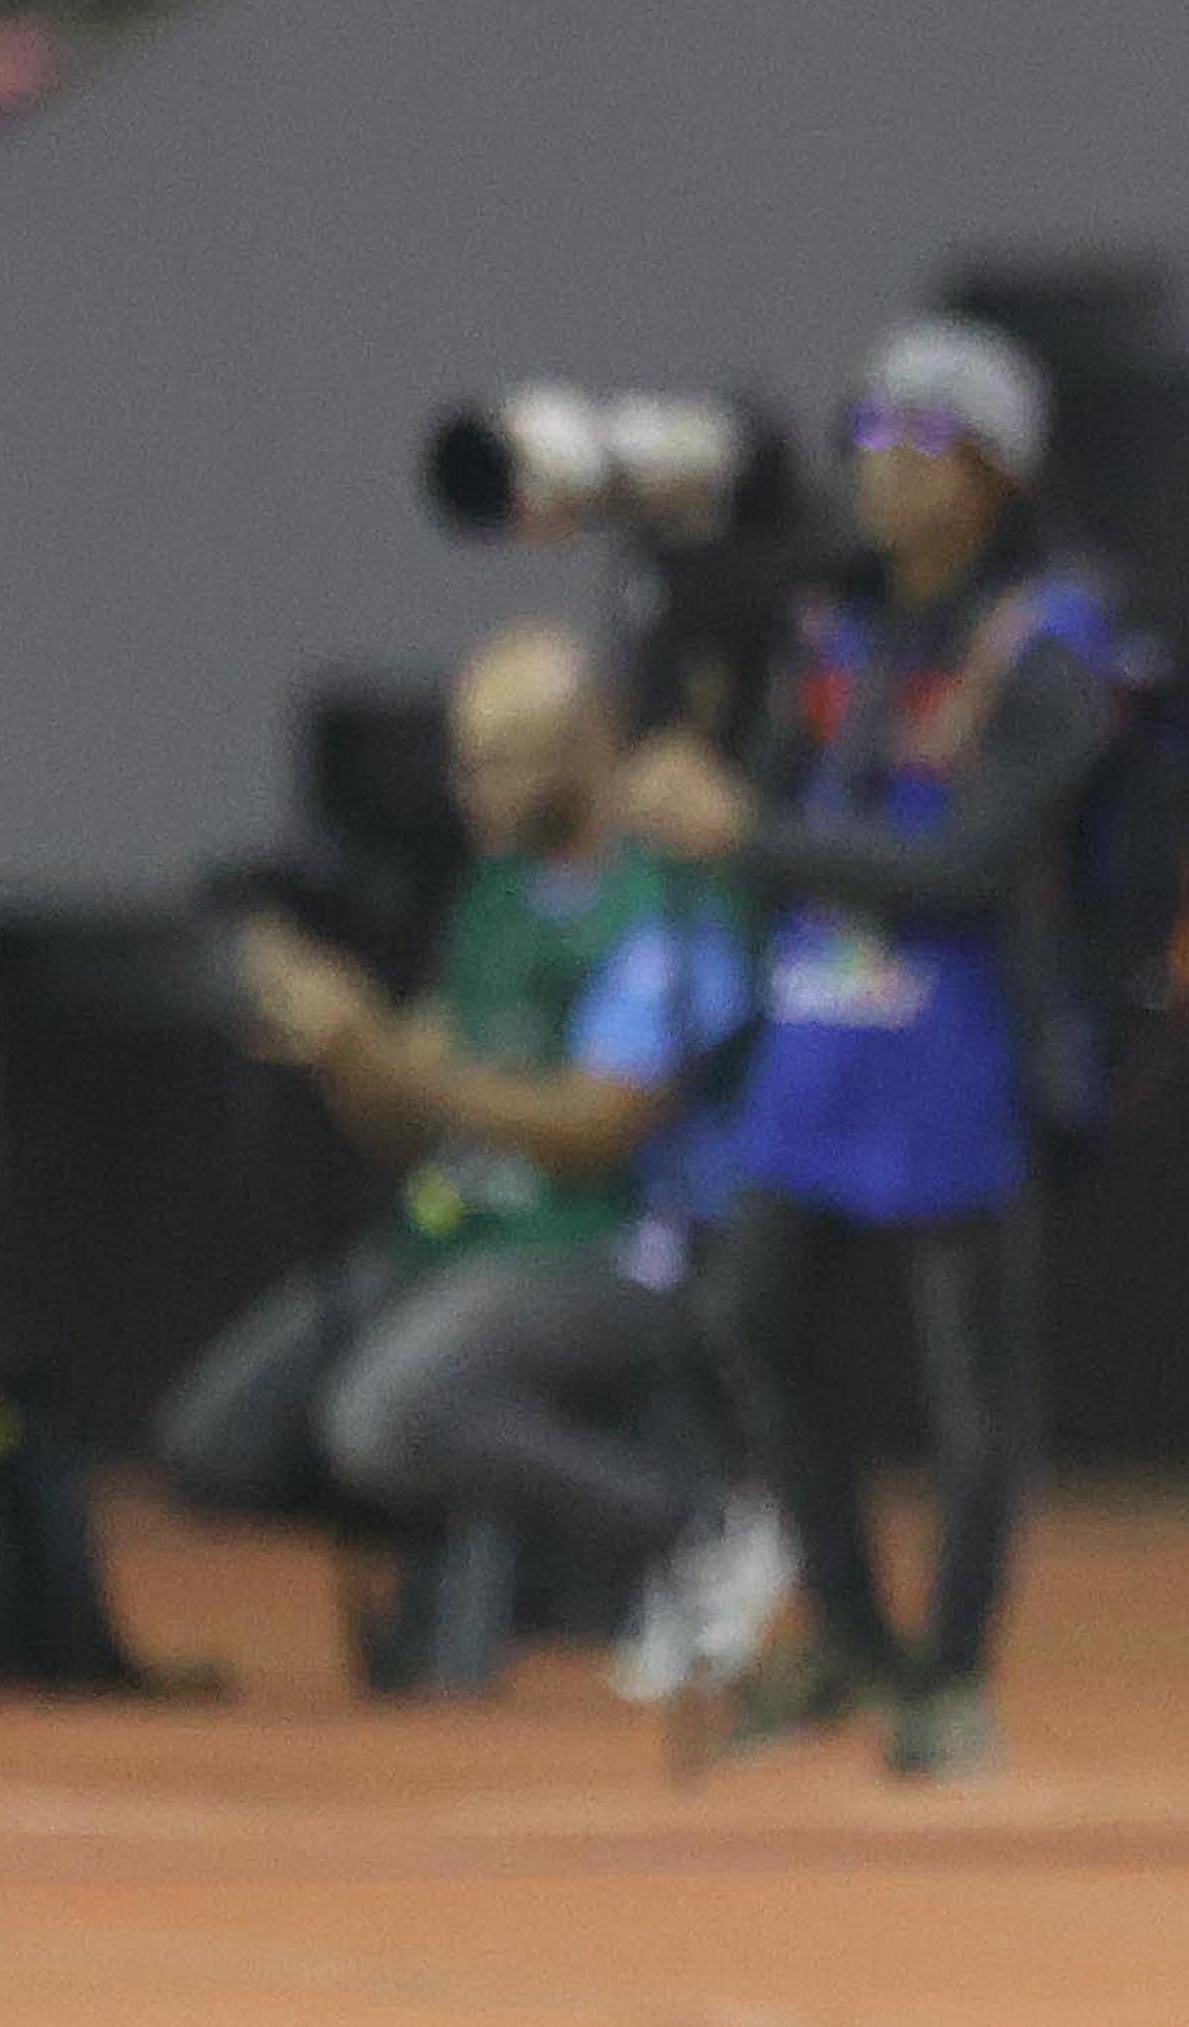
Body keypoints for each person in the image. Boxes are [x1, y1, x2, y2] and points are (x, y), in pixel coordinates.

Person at [618, 316, 1123, 1781]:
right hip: (822, 1037)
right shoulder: (833, 636)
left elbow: (973, 862)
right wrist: (697, 799)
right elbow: (769, 820)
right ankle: (846, 1627)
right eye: (871, 436)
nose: (882, 468)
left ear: (994, 472)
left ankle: (951, 1672)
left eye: (921, 441)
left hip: (965, 1047)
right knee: (750, 1314)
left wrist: (751, 828)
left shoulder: (1050, 648)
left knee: (975, 1387)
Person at [153, 623, 780, 1698]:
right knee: (216, 1441)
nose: (467, 785)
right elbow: (417, 1117)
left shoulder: (668, 900)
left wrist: (393, 1059)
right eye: (464, 755)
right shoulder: (497, 897)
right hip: (464, 1234)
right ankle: (478, 1553)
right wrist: (343, 1051)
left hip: (621, 1241)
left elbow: (597, 1126)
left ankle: (696, 1525)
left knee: (382, 1419)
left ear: (588, 747)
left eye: (501, 755)